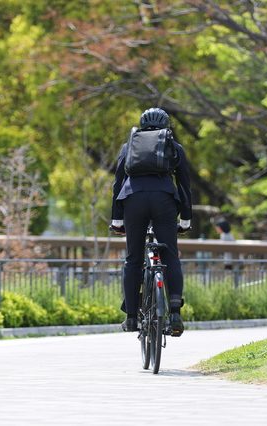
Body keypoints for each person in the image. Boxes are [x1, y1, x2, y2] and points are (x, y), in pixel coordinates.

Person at [110, 107, 192, 336]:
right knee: (170, 256)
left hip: (133, 200)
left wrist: (116, 219)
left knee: (133, 260)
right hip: (164, 200)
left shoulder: (128, 147)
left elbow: (118, 183)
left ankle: (131, 318)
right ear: (166, 127)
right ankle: (174, 313)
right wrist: (186, 220)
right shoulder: (174, 147)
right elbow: (184, 185)